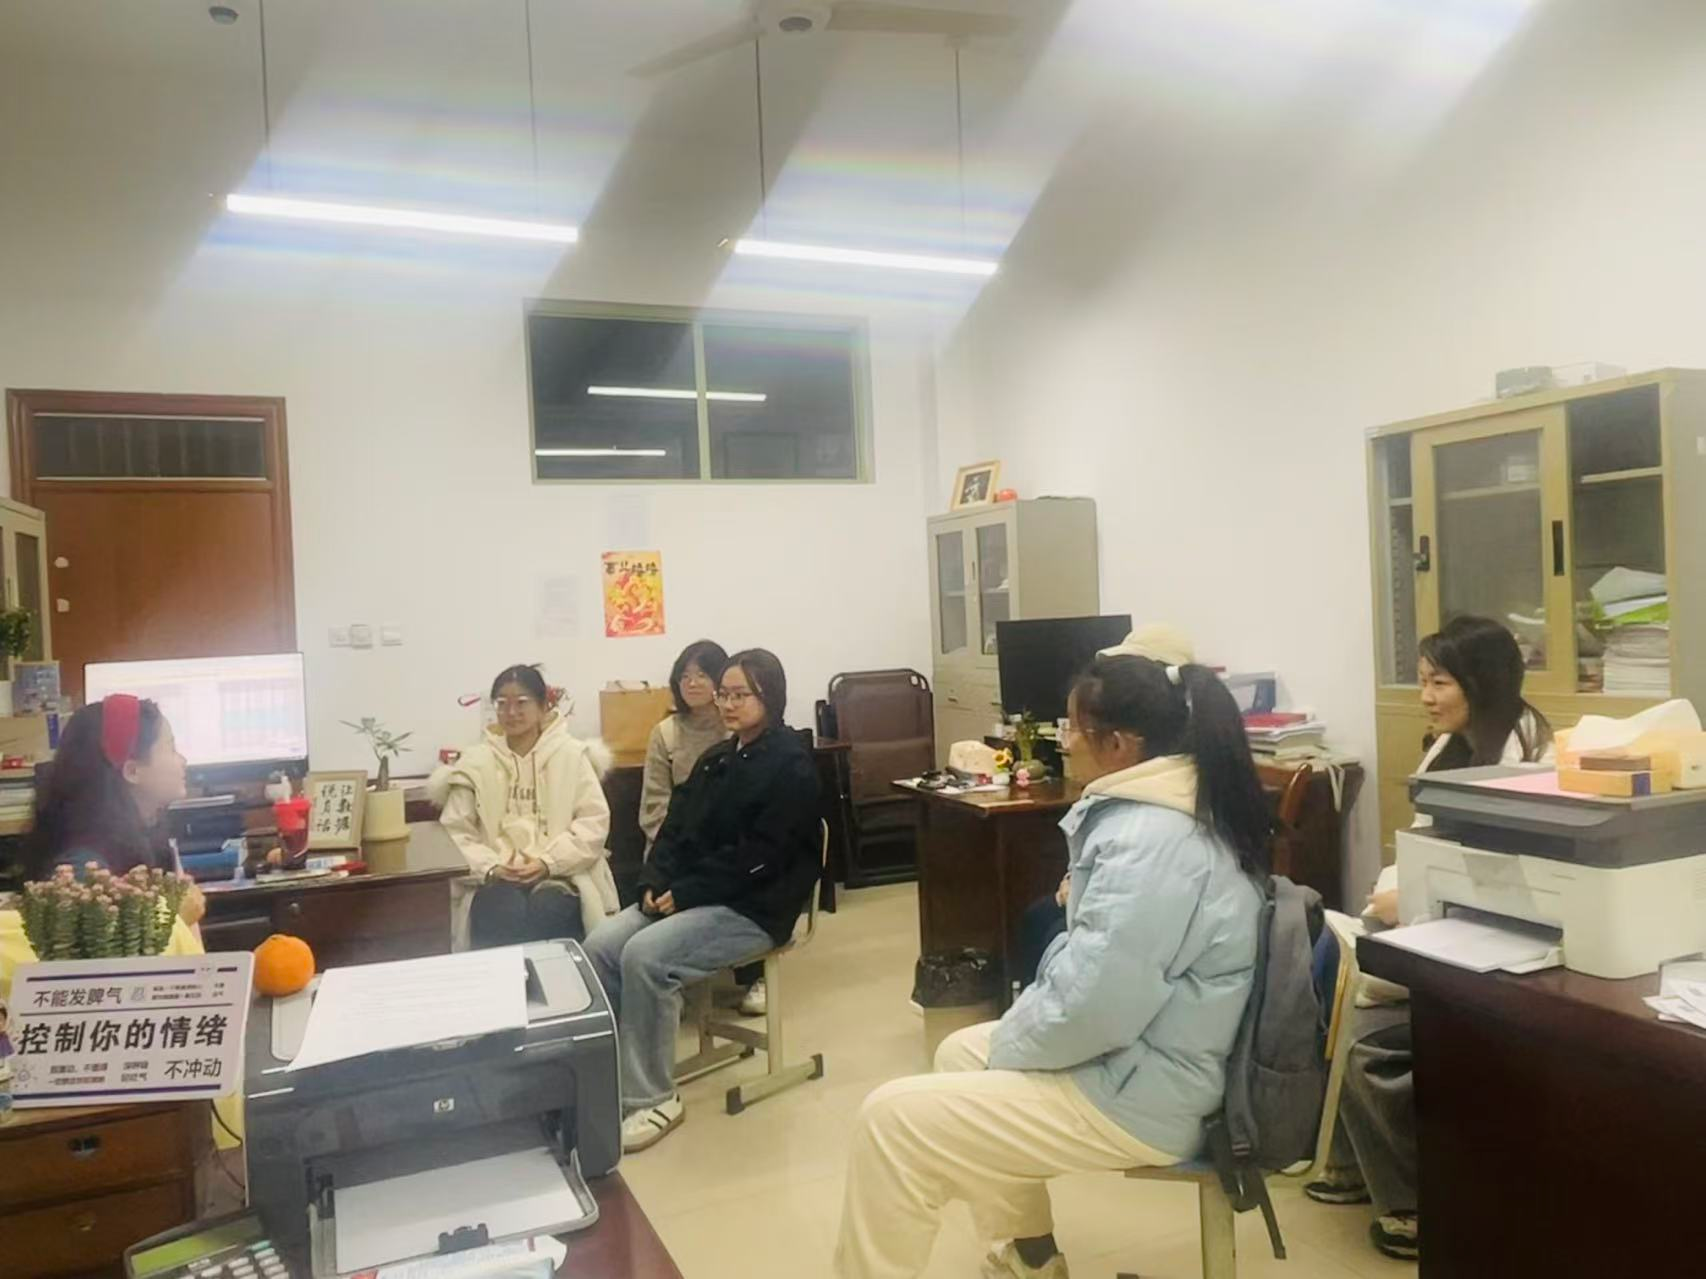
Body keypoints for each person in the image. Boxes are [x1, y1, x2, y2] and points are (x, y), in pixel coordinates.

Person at [835, 654, 1268, 1279]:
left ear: (1118, 745)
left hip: (1148, 1096)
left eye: (1072, 729)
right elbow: (1100, 985)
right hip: (1149, 1060)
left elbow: (1095, 1007)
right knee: (959, 1053)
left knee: (890, 1121)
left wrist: (1017, 1038)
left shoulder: (1149, 841)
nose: (1063, 742)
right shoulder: (1173, 812)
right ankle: (1030, 1257)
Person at [1305, 614, 1553, 1262]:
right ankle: (1350, 1161)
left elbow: (1505, 879)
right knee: (1326, 968)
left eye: (1439, 682)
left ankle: (1409, 1204)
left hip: (1493, 943)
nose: (1426, 696)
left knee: (1367, 1039)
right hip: (1437, 923)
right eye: (1422, 681)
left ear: (1482, 681)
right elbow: (1420, 843)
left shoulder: (1530, 758)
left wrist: (1408, 900)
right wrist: (1394, 894)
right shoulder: (1450, 748)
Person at [583, 649, 821, 1153]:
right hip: (697, 894)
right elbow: (674, 831)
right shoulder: (718, 758)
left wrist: (688, 891)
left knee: (646, 956)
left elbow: (763, 858)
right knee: (601, 946)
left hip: (756, 907)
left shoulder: (792, 765)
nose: (728, 704)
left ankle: (653, 1098)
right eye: (724, 694)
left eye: (741, 695)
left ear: (771, 697)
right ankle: (620, 1074)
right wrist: (654, 880)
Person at [1014, 622, 1198, 987]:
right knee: (1041, 918)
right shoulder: (1147, 785)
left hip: (1155, 995)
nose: (1067, 743)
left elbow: (1098, 985)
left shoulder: (1149, 826)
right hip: (1143, 977)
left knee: (1048, 929)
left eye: (1076, 730)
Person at [435, 665, 618, 948]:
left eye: (521, 702)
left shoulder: (572, 756)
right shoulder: (475, 763)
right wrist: (491, 867)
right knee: (501, 908)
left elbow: (593, 822)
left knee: (550, 906)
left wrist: (549, 863)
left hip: (562, 873)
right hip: (493, 877)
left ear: (543, 706)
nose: (511, 712)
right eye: (502, 703)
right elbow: (456, 831)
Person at [638, 640, 770, 1015]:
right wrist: (678, 847)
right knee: (660, 883)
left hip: (727, 843)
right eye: (685, 676)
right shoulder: (666, 732)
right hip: (678, 839)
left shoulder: (738, 729)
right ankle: (667, 977)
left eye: (702, 675)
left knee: (742, 873)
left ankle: (754, 975)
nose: (692, 683)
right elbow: (654, 805)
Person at [25, 697, 204, 928]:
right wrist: (173, 919)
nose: (183, 760)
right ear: (133, 771)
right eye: (171, 748)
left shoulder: (150, 837)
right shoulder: (82, 870)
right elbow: (90, 948)